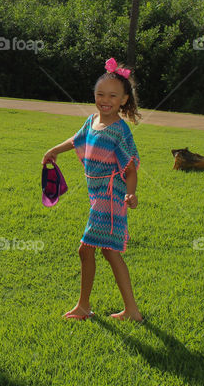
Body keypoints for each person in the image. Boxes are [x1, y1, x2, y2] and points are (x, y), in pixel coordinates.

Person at [43, 57, 143, 321]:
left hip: (110, 197)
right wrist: (55, 150)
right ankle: (130, 311)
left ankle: (86, 307)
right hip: (97, 195)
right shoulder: (92, 121)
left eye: (112, 95)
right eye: (100, 94)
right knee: (110, 252)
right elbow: (77, 139)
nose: (105, 99)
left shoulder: (120, 131)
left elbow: (130, 167)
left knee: (88, 249)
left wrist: (131, 193)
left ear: (123, 100)